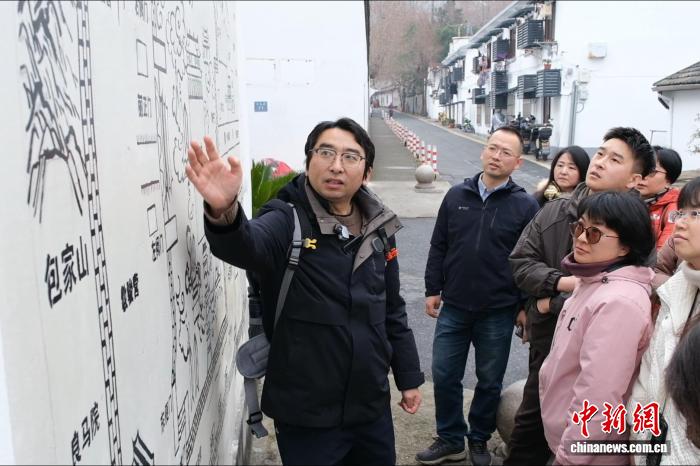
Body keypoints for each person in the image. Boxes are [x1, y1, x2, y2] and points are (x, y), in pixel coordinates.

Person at [185, 117, 424, 465]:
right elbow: (247, 245)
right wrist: (225, 211)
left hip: (369, 407)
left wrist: (408, 377)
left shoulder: (379, 228)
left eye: (350, 157)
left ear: (367, 172)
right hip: (306, 416)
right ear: (309, 160)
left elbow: (392, 309)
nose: (336, 165)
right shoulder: (286, 219)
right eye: (325, 152)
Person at [505, 127, 655, 466]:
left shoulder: (635, 230)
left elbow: (625, 290)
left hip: (597, 353)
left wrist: (550, 303)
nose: (599, 162)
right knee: (530, 428)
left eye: (614, 159)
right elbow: (521, 263)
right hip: (550, 343)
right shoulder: (556, 210)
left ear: (635, 179)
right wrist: (561, 284)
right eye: (600, 153)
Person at [416, 127, 539, 466]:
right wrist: (432, 289)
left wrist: (524, 305)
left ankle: (479, 437)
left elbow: (529, 260)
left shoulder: (525, 205)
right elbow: (439, 243)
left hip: (498, 310)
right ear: (484, 151)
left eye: (506, 152)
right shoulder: (456, 195)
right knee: (444, 375)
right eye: (492, 148)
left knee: (489, 381)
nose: (496, 156)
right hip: (454, 305)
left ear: (517, 162)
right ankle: (450, 439)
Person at [539, 192, 655, 465]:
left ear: (625, 247)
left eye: (594, 233)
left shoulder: (618, 302)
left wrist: (570, 457)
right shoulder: (593, 282)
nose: (580, 238)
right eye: (579, 227)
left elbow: (599, 393)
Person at [628, 177, 700, 465]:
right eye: (681, 212)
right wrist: (637, 439)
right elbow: (648, 376)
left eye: (696, 213)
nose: (680, 222)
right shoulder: (676, 289)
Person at [637, 146, 683, 250]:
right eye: (640, 168)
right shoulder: (628, 201)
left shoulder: (674, 209)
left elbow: (663, 253)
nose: (643, 176)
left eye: (652, 171)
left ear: (669, 180)